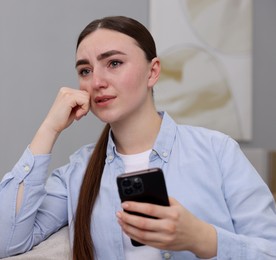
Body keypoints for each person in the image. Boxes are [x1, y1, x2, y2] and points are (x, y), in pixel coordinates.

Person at [0, 16, 275, 260]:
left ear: (152, 71)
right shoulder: (77, 173)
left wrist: (203, 239)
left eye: (114, 63)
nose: (96, 82)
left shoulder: (217, 150)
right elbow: (7, 241)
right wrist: (49, 128)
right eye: (85, 70)